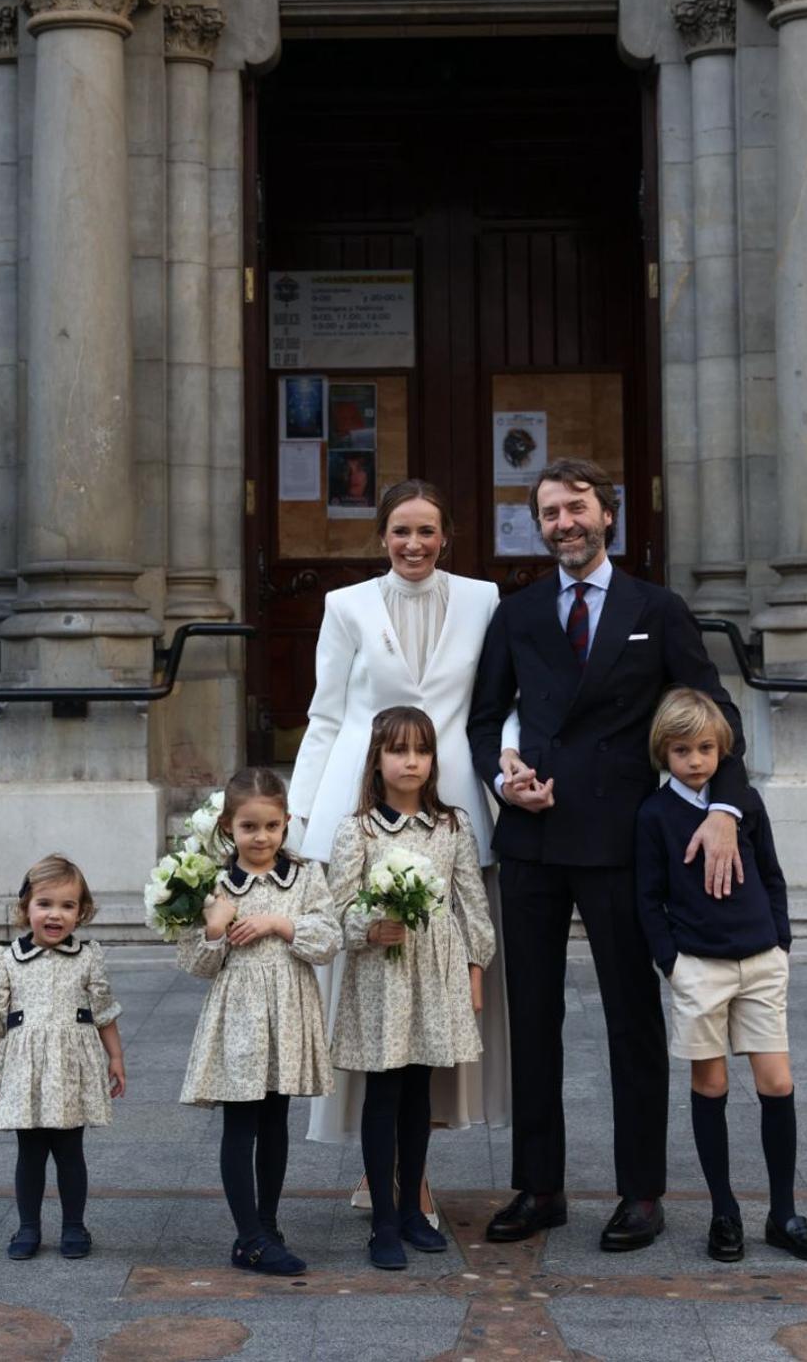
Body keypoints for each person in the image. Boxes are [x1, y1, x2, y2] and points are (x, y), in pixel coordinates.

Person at [467, 457, 750, 1251]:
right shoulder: (519, 613)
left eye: (577, 508)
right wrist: (503, 772)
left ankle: (642, 1191)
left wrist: (725, 806)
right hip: (530, 839)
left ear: (608, 514)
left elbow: (717, 711)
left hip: (626, 841)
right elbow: (485, 716)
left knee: (631, 1018)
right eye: (550, 512)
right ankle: (539, 1184)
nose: (564, 523)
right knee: (532, 1016)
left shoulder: (656, 609)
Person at [290, 477, 517, 1149]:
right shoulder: (346, 604)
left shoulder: (483, 599)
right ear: (382, 535)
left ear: (446, 536)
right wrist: (302, 814)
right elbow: (326, 714)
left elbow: (495, 703)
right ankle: (373, 1159)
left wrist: (508, 768)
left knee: (444, 981)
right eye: (400, 530)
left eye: (426, 530)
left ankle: (427, 1142)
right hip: (366, 804)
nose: (413, 543)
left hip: (452, 810)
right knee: (370, 988)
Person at [635, 687, 807, 1265]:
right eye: (680, 750)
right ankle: (724, 1212)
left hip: (760, 962)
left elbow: (771, 873)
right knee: (712, 1086)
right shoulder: (654, 815)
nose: (695, 760)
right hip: (699, 967)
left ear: (722, 749)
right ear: (662, 754)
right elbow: (648, 900)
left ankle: (784, 1213)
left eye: (704, 748)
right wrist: (673, 962)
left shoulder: (743, 803)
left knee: (776, 1082)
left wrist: (781, 941)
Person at [327, 706, 496, 1269]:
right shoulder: (359, 828)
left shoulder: (452, 825)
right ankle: (381, 1222)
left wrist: (474, 973)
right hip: (383, 974)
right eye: (399, 750)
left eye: (421, 750)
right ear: (377, 758)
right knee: (384, 1093)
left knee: (419, 1092)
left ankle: (410, 1211)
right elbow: (337, 908)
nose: (411, 761)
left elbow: (471, 901)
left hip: (436, 973)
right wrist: (371, 927)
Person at [177, 766, 341, 1277]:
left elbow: (328, 938)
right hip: (239, 1013)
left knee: (275, 1120)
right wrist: (213, 928)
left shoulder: (306, 876)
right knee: (241, 1121)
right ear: (228, 826)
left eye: (271, 826)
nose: (261, 837)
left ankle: (267, 1224)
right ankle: (248, 1237)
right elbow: (199, 965)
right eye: (249, 827)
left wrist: (277, 922)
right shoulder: (213, 884)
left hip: (289, 1011)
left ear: (286, 823)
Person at [0, 854, 125, 1262]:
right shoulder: (7, 959)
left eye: (67, 906)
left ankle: (74, 1225)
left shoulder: (89, 956)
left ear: (81, 912)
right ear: (26, 908)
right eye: (45, 904)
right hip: (25, 1068)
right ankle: (28, 1226)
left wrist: (116, 1058)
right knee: (31, 1152)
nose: (55, 914)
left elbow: (104, 1011)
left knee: (70, 1150)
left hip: (71, 1066)